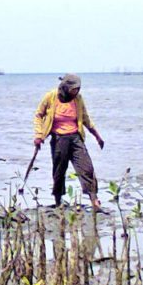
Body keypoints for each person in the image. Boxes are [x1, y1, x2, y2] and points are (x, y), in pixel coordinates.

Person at [32, 73, 107, 212]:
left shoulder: (77, 99)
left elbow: (85, 118)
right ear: (65, 87)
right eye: (74, 89)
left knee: (87, 168)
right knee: (59, 171)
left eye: (78, 89)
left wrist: (97, 136)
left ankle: (94, 201)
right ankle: (58, 200)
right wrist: (39, 135)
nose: (76, 92)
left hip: (75, 138)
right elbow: (38, 115)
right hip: (59, 138)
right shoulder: (51, 96)